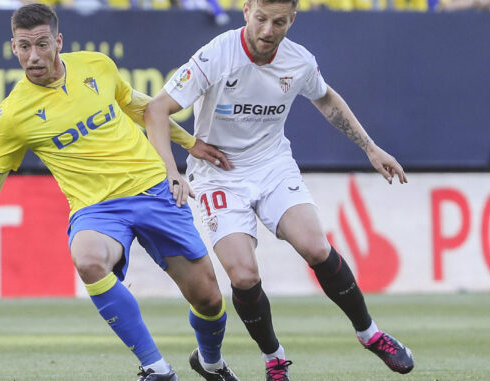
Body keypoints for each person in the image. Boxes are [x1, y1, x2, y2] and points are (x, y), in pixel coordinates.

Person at [0, 4, 240, 381]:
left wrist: (187, 142)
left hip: (153, 188)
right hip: (97, 209)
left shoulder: (97, 65)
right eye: (24, 47)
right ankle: (156, 368)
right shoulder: (13, 115)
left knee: (208, 298)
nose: (33, 56)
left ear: (58, 41)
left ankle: (210, 362)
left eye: (41, 44)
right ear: (13, 48)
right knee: (87, 259)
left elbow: (137, 105)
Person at [143, 0, 415, 379]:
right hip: (218, 175)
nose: (268, 31)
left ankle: (370, 334)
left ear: (293, 19)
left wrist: (370, 147)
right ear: (245, 11)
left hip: (272, 166)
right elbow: (155, 110)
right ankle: (274, 358)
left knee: (317, 247)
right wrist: (172, 171)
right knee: (243, 277)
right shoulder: (216, 56)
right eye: (261, 19)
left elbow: (326, 98)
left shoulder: (299, 61)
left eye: (279, 22)